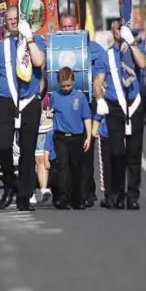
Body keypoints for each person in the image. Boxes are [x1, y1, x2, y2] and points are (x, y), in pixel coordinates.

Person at [0, 6, 46, 211]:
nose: (12, 21)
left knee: (27, 152)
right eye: (9, 19)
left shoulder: (35, 42)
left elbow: (39, 62)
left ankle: (24, 197)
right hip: (6, 101)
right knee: (4, 146)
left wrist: (28, 38)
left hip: (29, 101)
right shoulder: (0, 48)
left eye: (16, 18)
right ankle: (9, 185)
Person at [92, 19, 146, 210]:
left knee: (134, 153)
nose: (120, 32)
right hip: (115, 107)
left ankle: (132, 196)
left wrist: (131, 43)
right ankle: (116, 193)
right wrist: (99, 100)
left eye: (123, 29)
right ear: (112, 31)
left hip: (134, 105)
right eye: (117, 29)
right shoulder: (106, 55)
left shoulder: (133, 51)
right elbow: (98, 81)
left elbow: (143, 63)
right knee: (116, 152)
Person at [58, 12, 107, 207]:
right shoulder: (55, 46)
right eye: (65, 27)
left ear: (77, 26)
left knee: (86, 150)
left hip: (86, 102)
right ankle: (65, 193)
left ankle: (87, 192)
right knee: (62, 155)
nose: (68, 30)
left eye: (71, 27)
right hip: (62, 102)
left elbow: (100, 76)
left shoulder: (94, 49)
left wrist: (99, 97)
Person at [49, 66, 92, 210]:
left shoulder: (80, 97)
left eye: (68, 85)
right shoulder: (54, 96)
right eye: (63, 86)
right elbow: (50, 113)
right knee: (63, 167)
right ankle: (63, 197)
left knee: (76, 168)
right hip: (61, 137)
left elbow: (86, 117)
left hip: (77, 137)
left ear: (73, 82)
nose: (66, 88)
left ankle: (77, 198)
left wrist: (88, 136)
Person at [33, 109, 55, 205]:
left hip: (43, 124)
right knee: (27, 159)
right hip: (25, 122)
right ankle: (30, 192)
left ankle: (44, 190)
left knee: (41, 158)